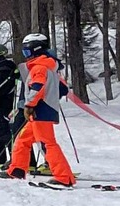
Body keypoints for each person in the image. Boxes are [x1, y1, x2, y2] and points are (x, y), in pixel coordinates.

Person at [7, 33, 75, 186]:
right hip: (40, 110)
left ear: (36, 49)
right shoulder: (47, 66)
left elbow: (37, 88)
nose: (26, 55)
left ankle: (64, 177)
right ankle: (17, 170)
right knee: (22, 139)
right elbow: (62, 88)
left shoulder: (40, 66)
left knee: (46, 143)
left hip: (40, 110)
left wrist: (29, 105)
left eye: (27, 52)